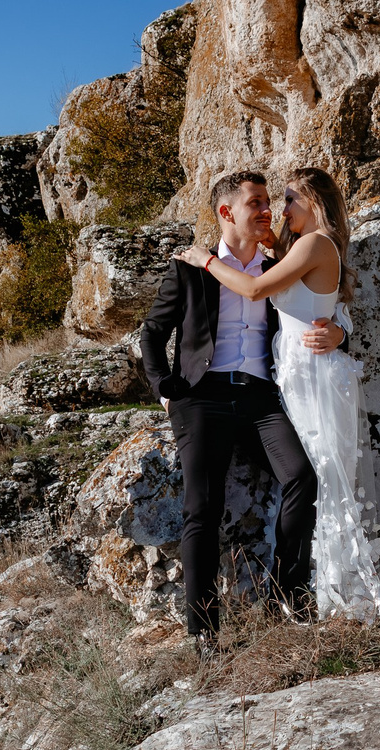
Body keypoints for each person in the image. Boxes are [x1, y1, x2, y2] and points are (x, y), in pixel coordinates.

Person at [177, 167, 380, 626]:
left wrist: (206, 259)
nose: (280, 209)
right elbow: (325, 306)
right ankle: (263, 604)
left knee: (319, 478)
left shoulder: (315, 245)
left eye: (291, 199)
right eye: (270, 202)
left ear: (314, 202)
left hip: (309, 383)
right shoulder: (297, 248)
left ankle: (318, 590)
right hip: (283, 384)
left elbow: (258, 289)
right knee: (303, 479)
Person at [138, 169, 347, 643]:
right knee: (202, 510)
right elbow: (152, 332)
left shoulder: (280, 261)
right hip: (202, 396)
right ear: (226, 212)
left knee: (300, 476)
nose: (268, 209)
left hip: (259, 396)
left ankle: (286, 597)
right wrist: (164, 388)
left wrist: (341, 334)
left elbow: (326, 306)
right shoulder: (191, 267)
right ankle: (204, 633)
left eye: (270, 200)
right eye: (256, 202)